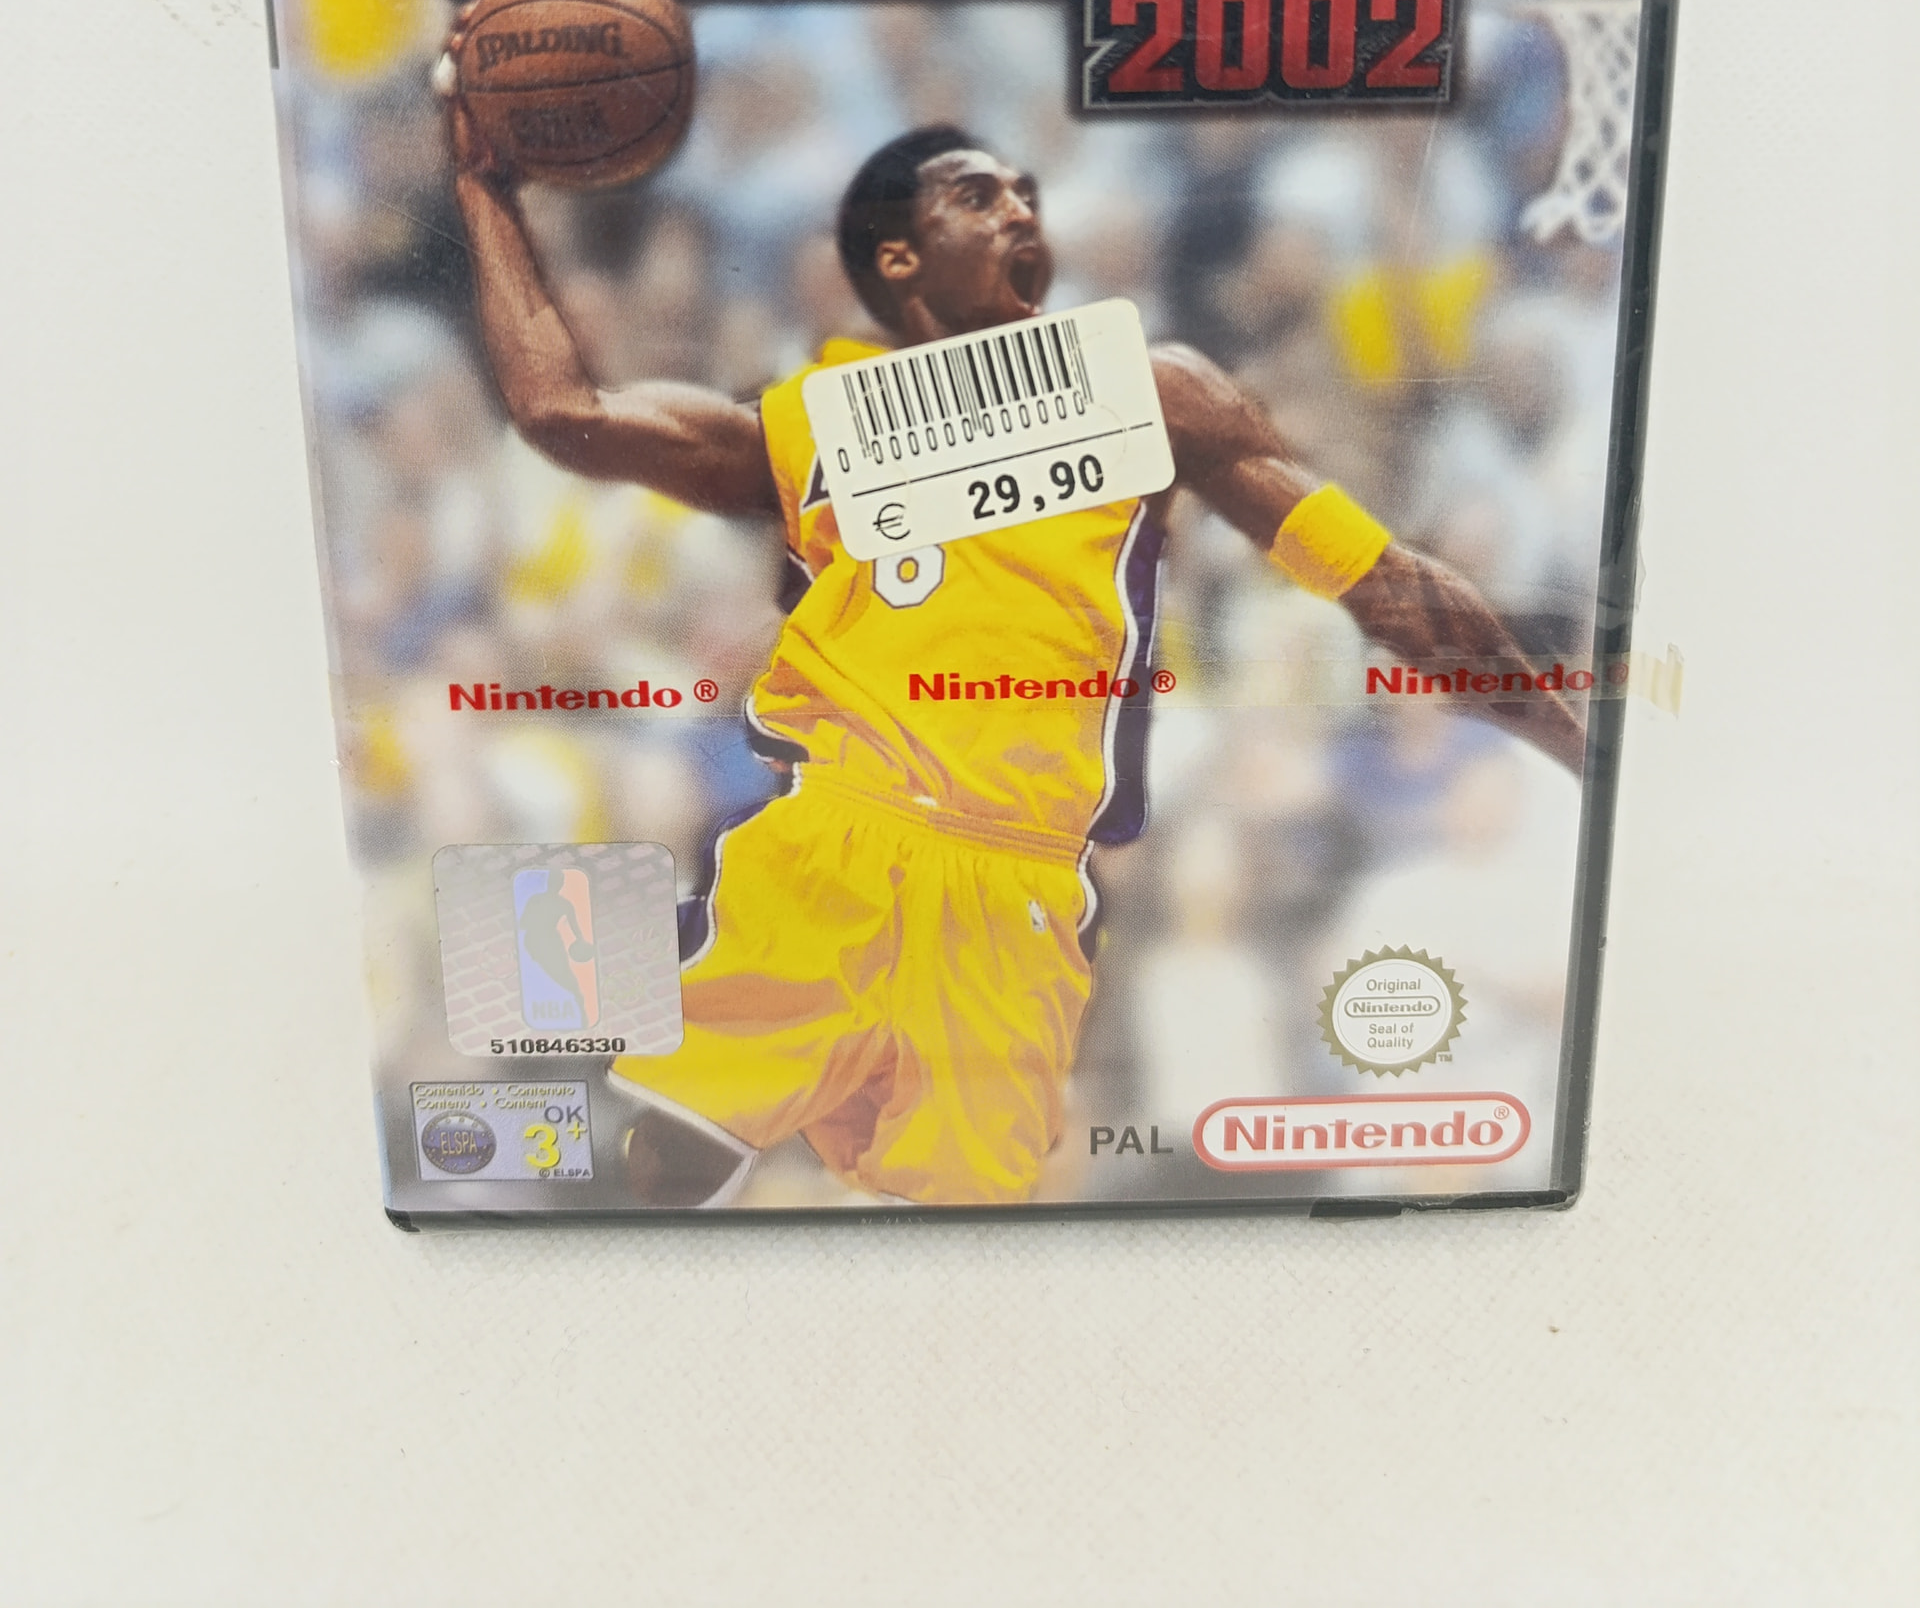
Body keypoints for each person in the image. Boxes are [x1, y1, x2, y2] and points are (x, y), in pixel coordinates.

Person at [449, 109, 1584, 1208]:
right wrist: (486, 191)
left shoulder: (1148, 389)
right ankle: (476, 1144)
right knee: (650, 1160)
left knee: (975, 1224)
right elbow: (561, 412)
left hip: (1017, 880)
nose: (1020, 208)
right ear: (900, 258)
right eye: (976, 194)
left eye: (1025, 192)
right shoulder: (821, 424)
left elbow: (1383, 583)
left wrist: (1574, 743)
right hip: (842, 837)